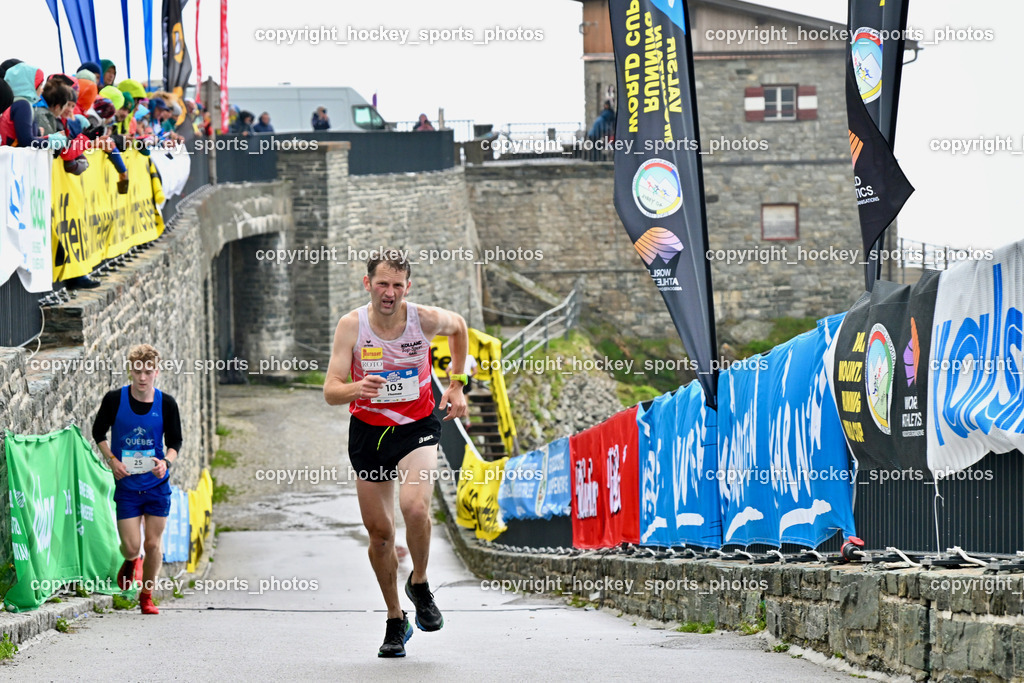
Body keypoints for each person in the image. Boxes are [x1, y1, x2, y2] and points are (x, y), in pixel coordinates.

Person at [323, 250, 469, 658]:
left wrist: (457, 384)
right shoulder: (352, 326)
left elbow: (459, 329)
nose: (390, 293)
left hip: (417, 426)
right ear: (367, 283)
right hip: (369, 433)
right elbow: (331, 389)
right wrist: (357, 388)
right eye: (383, 284)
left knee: (416, 508)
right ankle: (394, 618)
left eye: (398, 286)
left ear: (408, 287)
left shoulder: (423, 319)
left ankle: (419, 583)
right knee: (381, 535)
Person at [92, 344, 183, 616]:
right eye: (137, 371)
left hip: (156, 485)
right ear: (130, 371)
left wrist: (165, 462)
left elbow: (176, 441)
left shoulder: (166, 403)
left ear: (156, 372)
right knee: (132, 546)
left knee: (153, 543)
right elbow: (98, 431)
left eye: (147, 372)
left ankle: (147, 596)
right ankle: (132, 560)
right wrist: (112, 461)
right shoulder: (114, 399)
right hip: (128, 487)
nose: (142, 378)